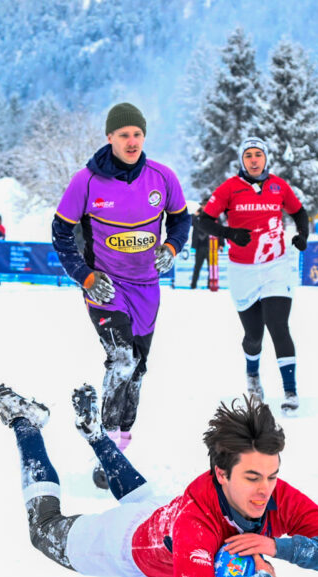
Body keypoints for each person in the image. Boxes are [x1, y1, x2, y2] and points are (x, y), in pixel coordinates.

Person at [0, 381, 318, 577]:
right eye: (251, 478)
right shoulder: (197, 524)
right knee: (42, 529)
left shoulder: (274, 494)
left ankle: (95, 435)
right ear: (221, 473)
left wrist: (279, 545)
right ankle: (25, 421)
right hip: (122, 545)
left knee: (141, 500)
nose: (265, 491)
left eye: (272, 475)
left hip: (159, 512)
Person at [51, 102, 191, 489]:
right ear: (109, 137)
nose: (132, 141)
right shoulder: (86, 181)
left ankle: (120, 439)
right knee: (122, 359)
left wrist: (172, 248)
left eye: (137, 134)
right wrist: (86, 276)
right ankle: (105, 448)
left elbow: (181, 221)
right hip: (106, 287)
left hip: (146, 288)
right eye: (124, 134)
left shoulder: (162, 177)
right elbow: (60, 234)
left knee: (139, 369)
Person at [198, 138, 310, 414]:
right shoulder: (229, 188)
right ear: (242, 160)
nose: (253, 159)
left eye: (258, 154)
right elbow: (202, 220)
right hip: (242, 270)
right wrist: (229, 233)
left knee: (278, 325)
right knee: (253, 335)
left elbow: (299, 211)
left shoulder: (278, 186)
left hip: (276, 265)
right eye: (248, 155)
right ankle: (253, 376)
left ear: (266, 158)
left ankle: (291, 391)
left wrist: (303, 234)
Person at [188, 206, 222, 289]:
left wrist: (221, 244)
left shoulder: (216, 216)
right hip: (199, 246)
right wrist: (195, 215)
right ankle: (193, 285)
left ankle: (210, 285)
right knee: (197, 267)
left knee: (211, 267)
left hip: (212, 247)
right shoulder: (198, 217)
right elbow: (189, 222)